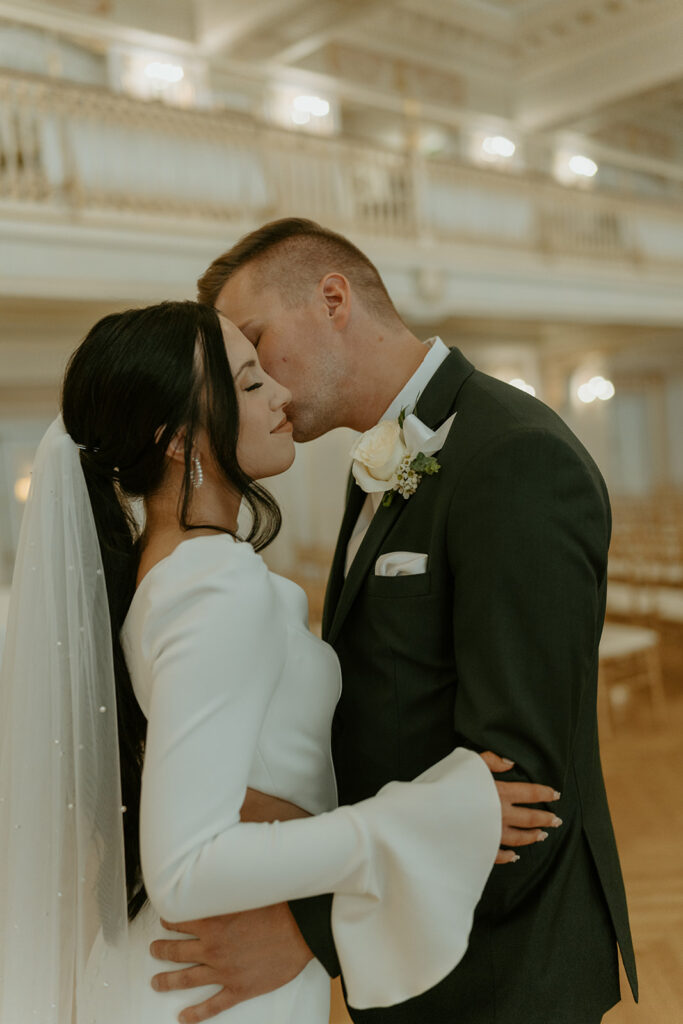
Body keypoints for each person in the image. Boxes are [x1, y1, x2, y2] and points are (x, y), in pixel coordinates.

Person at [0, 301, 559, 1024]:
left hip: (210, 965)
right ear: (176, 440)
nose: (281, 396)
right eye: (250, 382)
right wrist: (415, 821)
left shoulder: (174, 570)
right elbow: (186, 868)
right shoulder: (211, 586)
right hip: (210, 983)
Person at [148, 219, 638, 1024]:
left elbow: (523, 779)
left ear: (333, 299)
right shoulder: (376, 461)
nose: (260, 384)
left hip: (501, 968)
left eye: (258, 342)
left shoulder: (513, 457)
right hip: (412, 940)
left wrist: (311, 934)